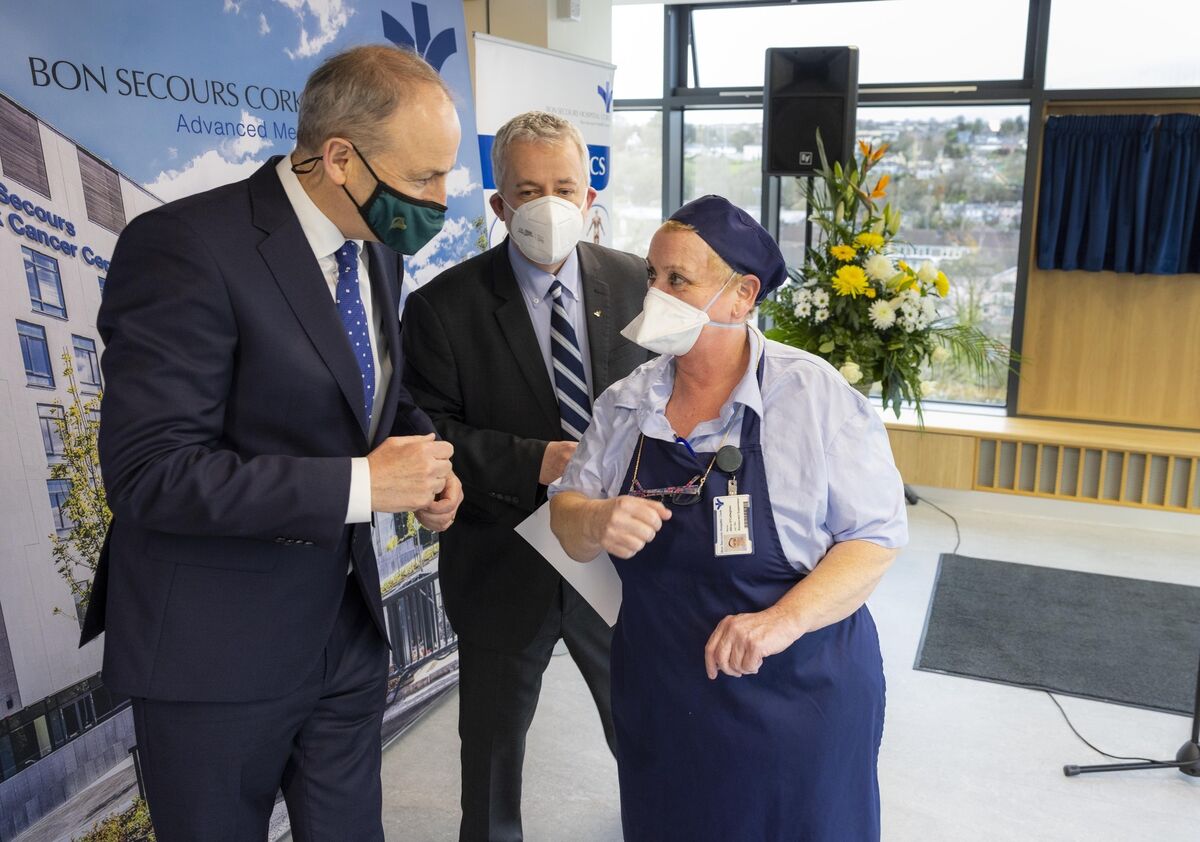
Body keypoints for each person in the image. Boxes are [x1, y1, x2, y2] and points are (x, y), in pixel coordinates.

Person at [80, 46, 464, 841]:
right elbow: (152, 474)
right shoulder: (183, 246)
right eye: (425, 178)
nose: (442, 198)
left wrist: (424, 460)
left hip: (345, 639)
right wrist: (364, 488)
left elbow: (367, 390)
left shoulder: (376, 247)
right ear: (338, 157)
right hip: (213, 654)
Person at [549, 195, 907, 842]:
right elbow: (566, 518)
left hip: (798, 694)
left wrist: (778, 623)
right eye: (652, 276)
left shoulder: (814, 397)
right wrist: (596, 520)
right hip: (663, 696)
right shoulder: (626, 404)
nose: (654, 293)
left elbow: (875, 540)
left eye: (677, 280)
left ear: (742, 296)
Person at [401, 111, 650, 842]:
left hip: (618, 558)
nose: (550, 203)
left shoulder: (636, 283)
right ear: (499, 204)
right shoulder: (442, 308)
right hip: (502, 561)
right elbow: (426, 434)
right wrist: (532, 460)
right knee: (492, 758)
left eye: (564, 186)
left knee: (644, 729)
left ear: (589, 195)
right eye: (528, 188)